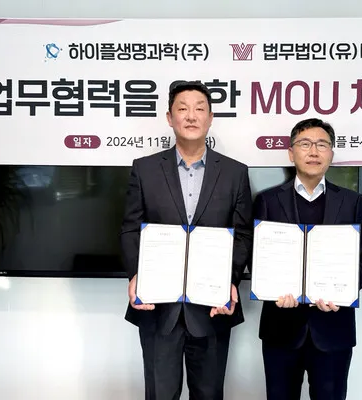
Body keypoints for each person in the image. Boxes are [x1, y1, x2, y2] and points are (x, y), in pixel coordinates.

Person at [120, 81, 253, 400]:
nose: (191, 116)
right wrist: (136, 275)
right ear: (169, 117)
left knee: (208, 394)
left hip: (212, 307)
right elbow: (130, 228)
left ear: (210, 118)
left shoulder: (234, 172)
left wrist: (229, 280)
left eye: (199, 109)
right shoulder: (145, 169)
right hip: (158, 306)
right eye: (182, 108)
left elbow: (242, 233)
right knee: (160, 394)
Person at [252, 118, 362, 400]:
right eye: (305, 144)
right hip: (281, 328)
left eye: (322, 145)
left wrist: (343, 290)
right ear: (291, 153)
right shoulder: (267, 201)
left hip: (334, 328)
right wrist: (271, 291)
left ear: (331, 153)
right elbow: (255, 257)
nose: (313, 151)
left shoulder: (352, 202)